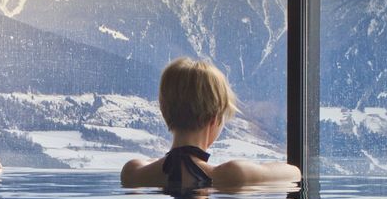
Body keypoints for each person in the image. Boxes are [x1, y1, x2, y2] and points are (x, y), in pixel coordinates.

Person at [120, 57, 301, 189]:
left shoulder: (134, 173)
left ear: (164, 111)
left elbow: (159, 163)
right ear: (214, 118)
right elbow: (294, 172)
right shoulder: (232, 174)